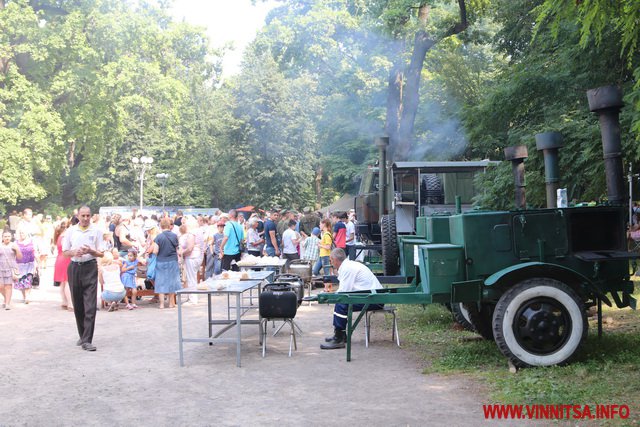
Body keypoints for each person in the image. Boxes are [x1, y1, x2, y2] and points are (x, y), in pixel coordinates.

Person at [320, 248, 384, 350]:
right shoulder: (348, 265)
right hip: (372, 296)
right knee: (342, 302)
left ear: (334, 259)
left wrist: (328, 296)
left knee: (341, 304)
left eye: (331, 260)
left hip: (374, 299)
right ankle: (341, 334)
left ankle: (339, 338)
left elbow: (344, 292)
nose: (331, 263)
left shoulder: (347, 268)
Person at [62, 205, 104, 352]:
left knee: (90, 305)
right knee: (78, 304)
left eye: (88, 215)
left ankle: (87, 340)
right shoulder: (71, 231)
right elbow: (65, 251)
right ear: (78, 216)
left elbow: (102, 253)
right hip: (74, 268)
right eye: (83, 215)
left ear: (91, 216)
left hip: (90, 267)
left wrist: (91, 251)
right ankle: (82, 335)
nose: (86, 218)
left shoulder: (97, 231)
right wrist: (75, 252)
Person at [152, 217, 182, 309]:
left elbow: (155, 251)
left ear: (161, 226)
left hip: (161, 261)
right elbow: (177, 249)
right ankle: (171, 303)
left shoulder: (158, 237)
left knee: (161, 282)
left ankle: (161, 304)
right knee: (172, 282)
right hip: (172, 261)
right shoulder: (174, 236)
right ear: (169, 226)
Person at [181, 217, 203, 303]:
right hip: (198, 256)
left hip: (192, 257)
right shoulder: (199, 232)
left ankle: (193, 299)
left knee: (191, 279)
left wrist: (182, 252)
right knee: (192, 278)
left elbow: (190, 248)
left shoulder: (191, 234)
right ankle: (191, 296)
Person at [53, 220, 73, 312]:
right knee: (68, 282)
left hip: (60, 259)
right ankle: (70, 303)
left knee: (63, 282)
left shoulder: (59, 236)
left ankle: (64, 301)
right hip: (66, 259)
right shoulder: (66, 237)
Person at [15, 229, 37, 303]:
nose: (22, 234)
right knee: (21, 282)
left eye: (23, 233)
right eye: (20, 233)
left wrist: (37, 263)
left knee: (28, 280)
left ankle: (27, 296)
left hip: (30, 264)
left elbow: (35, 252)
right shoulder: (16, 243)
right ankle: (24, 296)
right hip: (19, 265)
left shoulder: (32, 242)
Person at [0, 231, 21, 310]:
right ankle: (6, 298)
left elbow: (19, 257)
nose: (7, 238)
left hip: (11, 268)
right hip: (1, 268)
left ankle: (7, 303)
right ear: (2, 237)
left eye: (8, 236)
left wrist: (17, 250)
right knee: (1, 286)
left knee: (8, 286)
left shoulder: (14, 245)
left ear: (11, 237)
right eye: (5, 236)